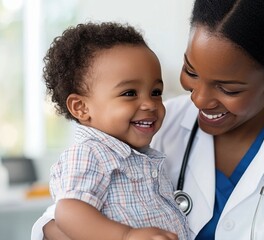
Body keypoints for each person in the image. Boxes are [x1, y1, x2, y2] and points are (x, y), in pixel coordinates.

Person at [32, 0, 264, 239]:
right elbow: (56, 221)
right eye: (191, 71)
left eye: (228, 87)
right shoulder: (150, 125)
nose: (198, 99)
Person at [32, 21, 190, 240]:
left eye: (155, 92)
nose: (149, 104)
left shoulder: (142, 158)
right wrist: (126, 236)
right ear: (81, 107)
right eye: (129, 93)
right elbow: (69, 212)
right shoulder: (89, 154)